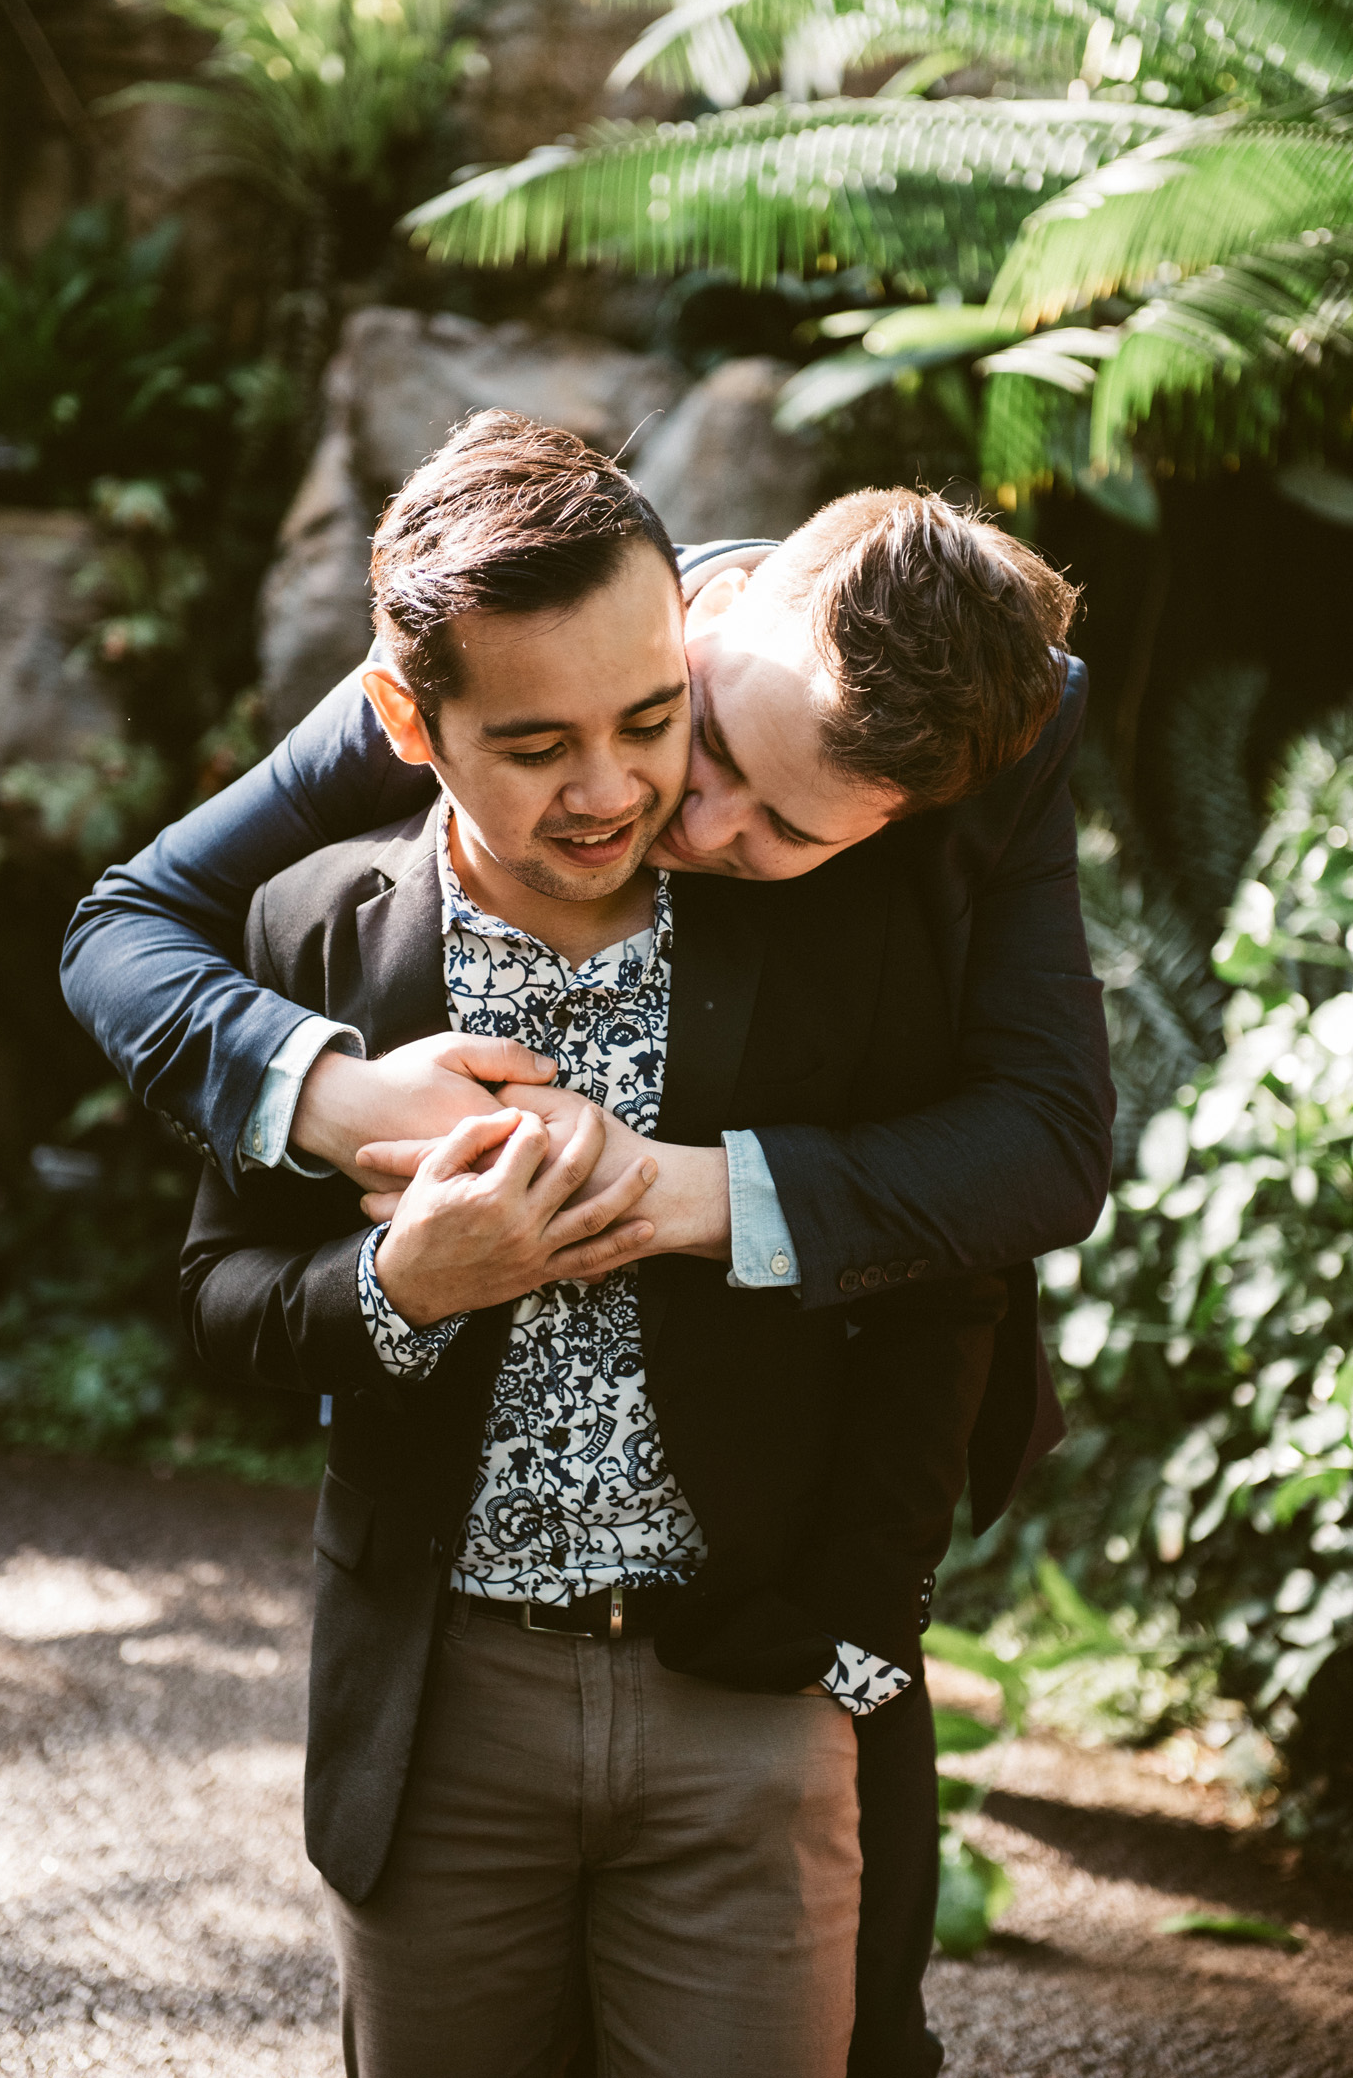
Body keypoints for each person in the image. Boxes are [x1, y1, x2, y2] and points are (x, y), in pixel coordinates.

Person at [61, 412, 1113, 2077]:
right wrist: (332, 1098)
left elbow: (1036, 1156)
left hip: (764, 1614)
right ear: (715, 620)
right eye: (707, 742)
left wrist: (691, 1198)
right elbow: (126, 926)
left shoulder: (1001, 736)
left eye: (781, 828)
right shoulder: (547, 639)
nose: (665, 813)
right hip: (450, 1648)